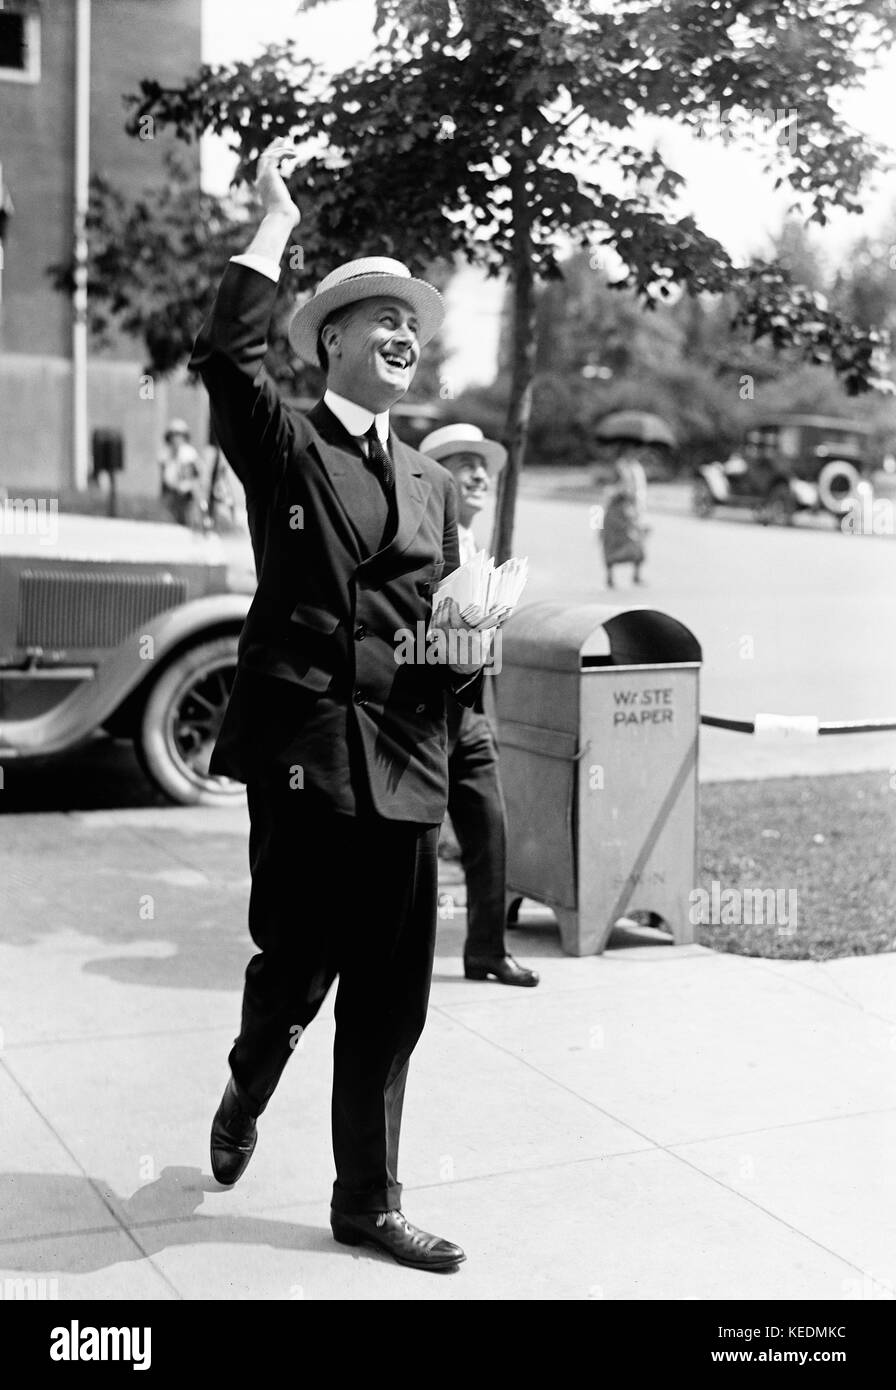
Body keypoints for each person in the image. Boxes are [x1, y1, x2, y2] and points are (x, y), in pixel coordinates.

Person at [189, 140, 496, 1274]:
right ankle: (249, 1071)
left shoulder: (430, 481)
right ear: (329, 341)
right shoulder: (285, 443)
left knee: (388, 995)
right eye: (380, 320)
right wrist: (271, 222)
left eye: (413, 326)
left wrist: (465, 653)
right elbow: (223, 355)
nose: (403, 338)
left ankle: (365, 1200)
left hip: (406, 755)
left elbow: (445, 623)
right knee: (294, 970)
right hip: (308, 745)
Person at [420, 424, 539, 988]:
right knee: (411, 848)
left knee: (490, 833)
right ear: (435, 476)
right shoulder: (420, 543)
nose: (477, 476)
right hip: (423, 716)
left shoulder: (478, 550)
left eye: (482, 467)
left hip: (469, 716)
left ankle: (486, 950)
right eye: (462, 464)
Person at [601, 444, 648, 588]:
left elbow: (639, 491)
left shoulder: (636, 468)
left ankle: (636, 575)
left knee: (637, 542)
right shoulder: (618, 466)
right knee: (612, 543)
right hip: (616, 511)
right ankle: (610, 577)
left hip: (631, 510)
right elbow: (609, 490)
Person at [158, 419, 203, 526]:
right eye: (173, 435)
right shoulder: (164, 453)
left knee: (187, 520)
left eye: (179, 435)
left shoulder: (189, 453)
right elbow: (164, 477)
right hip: (170, 493)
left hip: (187, 495)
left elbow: (193, 477)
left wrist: (186, 486)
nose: (176, 438)